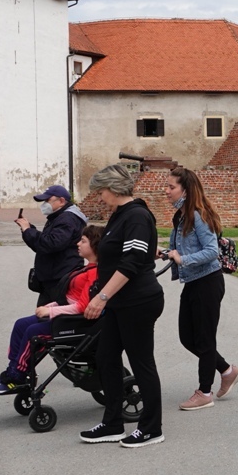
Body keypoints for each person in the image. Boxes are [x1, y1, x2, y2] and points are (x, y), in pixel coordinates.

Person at [79, 165, 165, 448]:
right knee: (106, 359)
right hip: (120, 302)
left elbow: (130, 264)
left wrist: (101, 296)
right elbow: (131, 251)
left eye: (101, 191)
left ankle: (151, 428)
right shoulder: (120, 216)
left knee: (142, 364)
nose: (100, 197)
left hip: (138, 301)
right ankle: (113, 423)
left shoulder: (137, 216)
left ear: (114, 189)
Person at [165, 167, 238, 411]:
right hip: (193, 282)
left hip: (207, 282)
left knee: (204, 339)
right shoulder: (182, 215)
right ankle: (227, 371)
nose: (166, 191)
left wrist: (183, 259)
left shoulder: (197, 214)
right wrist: (168, 254)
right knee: (188, 338)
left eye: (171, 187)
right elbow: (182, 248)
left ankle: (204, 392)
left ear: (185, 190)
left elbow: (212, 251)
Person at [0, 225, 102, 394]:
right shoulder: (86, 268)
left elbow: (82, 307)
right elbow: (70, 299)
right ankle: (14, 369)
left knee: (34, 333)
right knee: (21, 325)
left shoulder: (94, 273)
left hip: (75, 323)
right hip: (64, 317)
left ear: (95, 246)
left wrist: (50, 312)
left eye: (83, 241)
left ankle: (18, 374)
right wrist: (51, 305)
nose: (78, 244)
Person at [16, 184, 88, 305]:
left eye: (47, 200)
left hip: (60, 277)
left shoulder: (67, 219)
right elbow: (45, 243)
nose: (44, 204)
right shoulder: (58, 217)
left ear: (61, 201)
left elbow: (51, 244)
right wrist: (28, 229)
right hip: (54, 276)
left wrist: (28, 231)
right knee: (43, 316)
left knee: (49, 317)